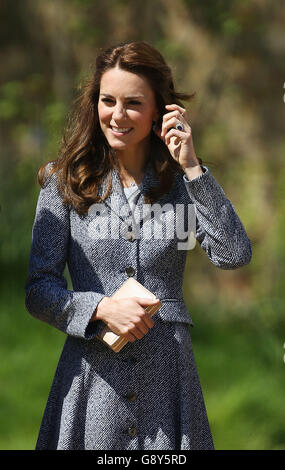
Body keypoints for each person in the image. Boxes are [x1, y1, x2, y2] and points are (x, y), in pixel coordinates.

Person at [24, 40, 252, 450]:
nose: (117, 114)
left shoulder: (185, 186)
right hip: (91, 382)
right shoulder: (65, 184)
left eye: (133, 103)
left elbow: (233, 254)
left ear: (159, 111)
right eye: (108, 100)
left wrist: (193, 168)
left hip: (169, 382)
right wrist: (100, 307)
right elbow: (40, 289)